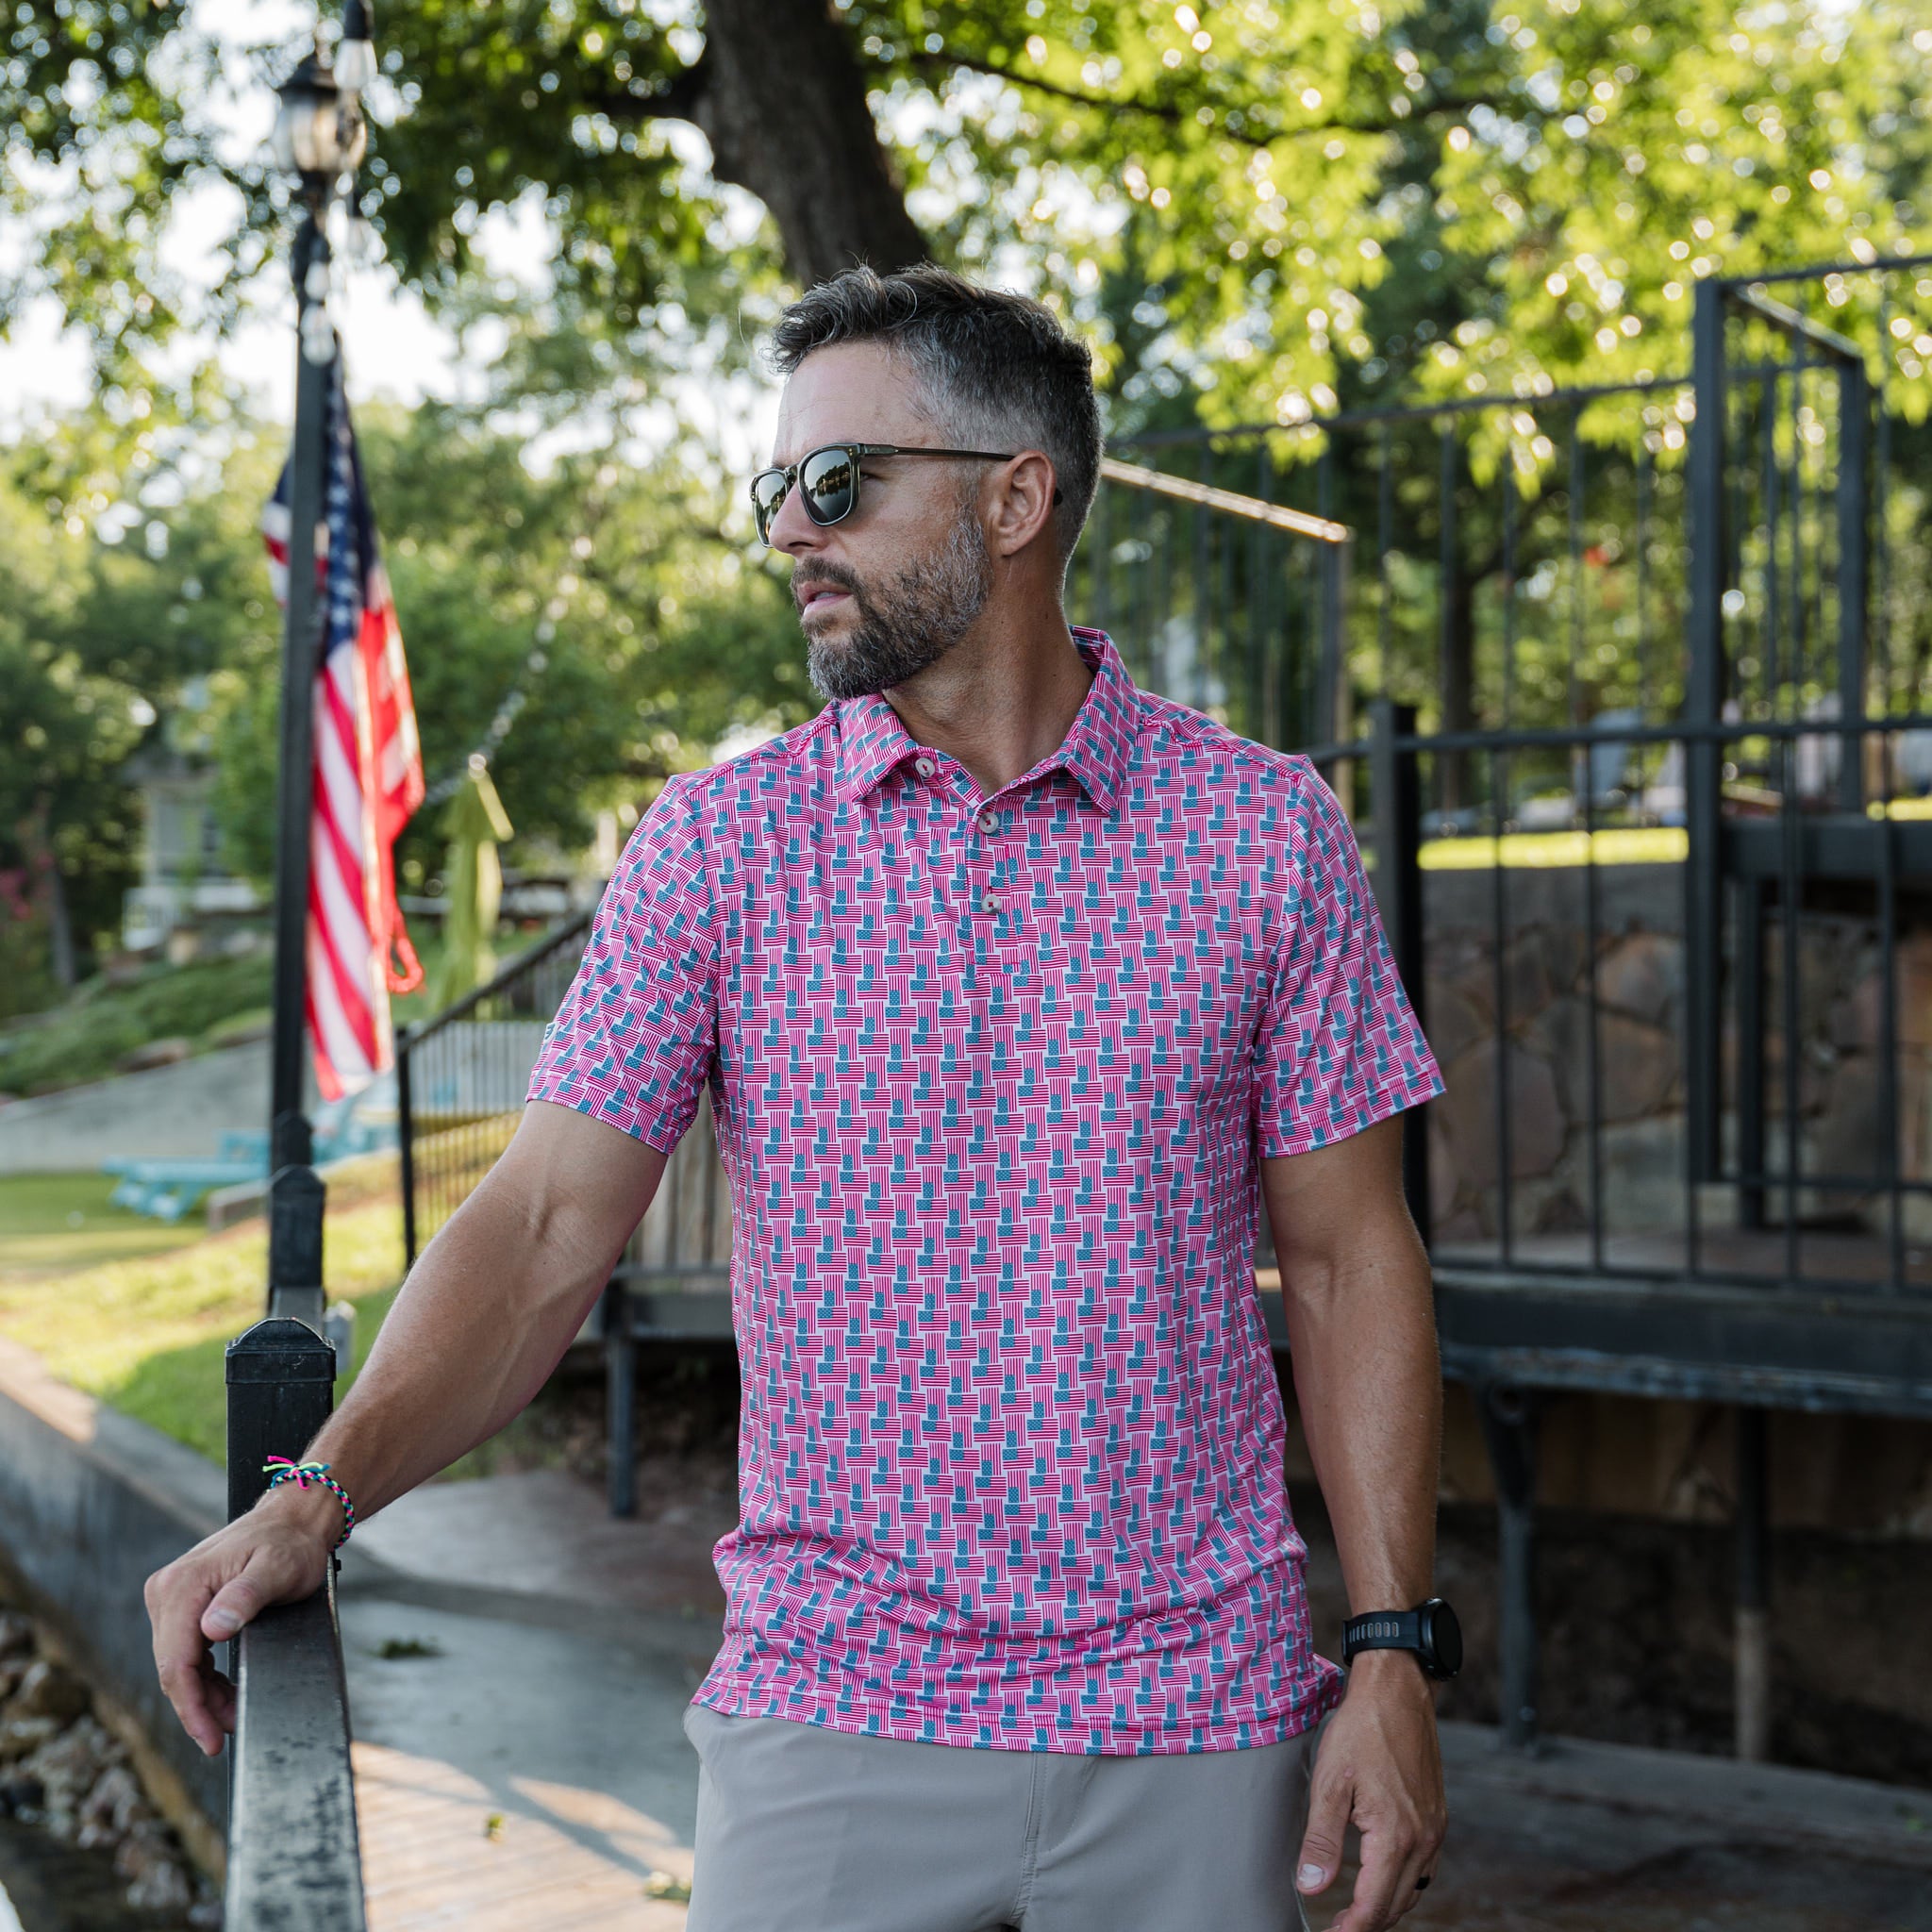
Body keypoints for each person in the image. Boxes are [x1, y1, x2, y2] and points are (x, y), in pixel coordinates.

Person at [144, 264, 1452, 1932]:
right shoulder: (719, 848)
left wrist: (1392, 1651)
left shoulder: (1265, 837)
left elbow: (1348, 1257)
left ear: (1017, 500)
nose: (786, 532)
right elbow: (542, 1228)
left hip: (1201, 1727)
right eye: (775, 486)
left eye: (837, 483)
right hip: (831, 1716)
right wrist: (312, 1498)